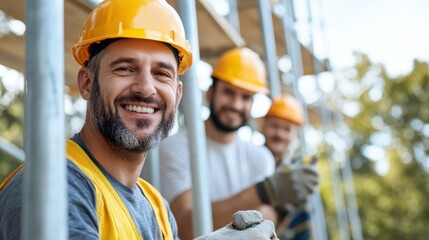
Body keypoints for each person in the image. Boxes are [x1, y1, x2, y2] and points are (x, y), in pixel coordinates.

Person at [0, 0, 278, 239]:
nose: (146, 88)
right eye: (125, 68)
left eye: (162, 74)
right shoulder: (54, 186)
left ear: (178, 95)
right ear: (86, 84)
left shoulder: (156, 206)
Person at [159, 47, 319, 239]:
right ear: (210, 93)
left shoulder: (260, 157)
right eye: (228, 92)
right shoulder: (175, 147)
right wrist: (264, 192)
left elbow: (265, 226)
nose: (236, 104)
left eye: (245, 97)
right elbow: (186, 228)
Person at [261, 94, 317, 240]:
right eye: (274, 126)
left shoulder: (298, 174)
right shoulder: (248, 162)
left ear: (295, 134)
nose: (279, 134)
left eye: (286, 129)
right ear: (263, 125)